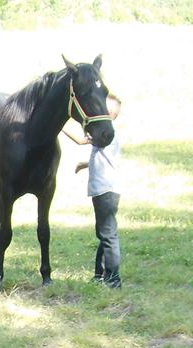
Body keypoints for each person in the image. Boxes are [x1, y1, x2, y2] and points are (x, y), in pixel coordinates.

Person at [66, 95, 123, 287]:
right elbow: (104, 158)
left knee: (108, 235)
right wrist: (85, 164)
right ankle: (99, 275)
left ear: (109, 114)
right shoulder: (109, 135)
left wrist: (60, 125)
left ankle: (113, 279)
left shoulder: (105, 134)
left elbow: (81, 141)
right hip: (108, 189)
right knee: (104, 234)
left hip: (105, 191)